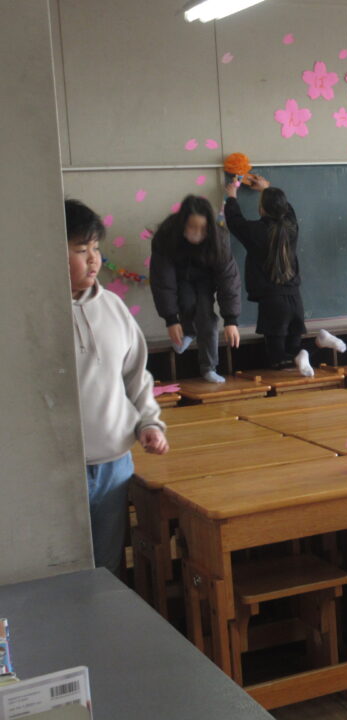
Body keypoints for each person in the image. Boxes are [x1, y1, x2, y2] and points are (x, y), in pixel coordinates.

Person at [66, 199, 169, 577]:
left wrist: (149, 423)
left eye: (95, 248)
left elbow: (136, 376)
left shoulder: (114, 308)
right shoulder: (34, 316)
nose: (93, 259)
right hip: (59, 472)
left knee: (107, 569)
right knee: (63, 572)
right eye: (81, 250)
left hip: (114, 465)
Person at [224, 174, 345, 375]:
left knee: (278, 360)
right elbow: (287, 211)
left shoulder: (255, 231)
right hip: (295, 299)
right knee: (293, 351)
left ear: (261, 208)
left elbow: (235, 222)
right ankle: (318, 343)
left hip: (272, 301)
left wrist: (231, 196)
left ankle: (316, 344)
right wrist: (267, 189)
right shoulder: (291, 227)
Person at [149, 195, 242, 383]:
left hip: (206, 278)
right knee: (187, 300)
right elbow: (163, 280)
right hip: (179, 277)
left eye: (203, 228)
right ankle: (188, 331)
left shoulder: (218, 238)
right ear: (183, 223)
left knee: (206, 316)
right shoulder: (166, 236)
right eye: (192, 227)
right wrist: (171, 319)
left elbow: (229, 279)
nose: (197, 233)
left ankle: (209, 367)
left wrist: (231, 319)